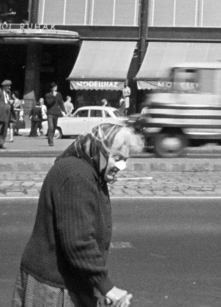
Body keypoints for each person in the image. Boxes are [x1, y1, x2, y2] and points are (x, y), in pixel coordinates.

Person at [14, 122, 137, 307]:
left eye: (126, 159)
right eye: (117, 158)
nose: (122, 166)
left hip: (70, 282)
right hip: (53, 287)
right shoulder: (77, 176)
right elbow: (79, 242)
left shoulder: (92, 171)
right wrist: (106, 287)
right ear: (100, 151)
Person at [0, 79, 15, 149]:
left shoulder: (8, 92)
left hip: (7, 114)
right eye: (8, 86)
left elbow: (8, 100)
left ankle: (1, 143)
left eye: (9, 86)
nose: (9, 88)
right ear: (4, 86)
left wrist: (11, 102)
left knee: (4, 130)